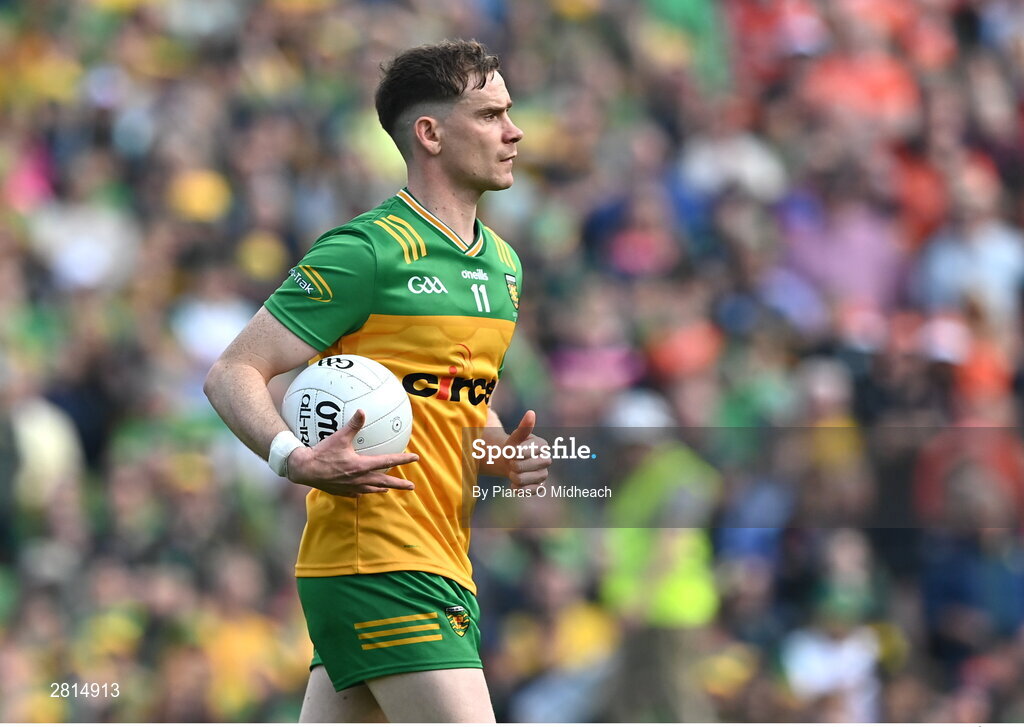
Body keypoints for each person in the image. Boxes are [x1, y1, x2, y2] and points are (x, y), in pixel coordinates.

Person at [204, 39, 550, 723]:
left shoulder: (503, 266)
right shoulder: (367, 251)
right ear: (430, 133)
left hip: (440, 558)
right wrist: (294, 457)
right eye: (489, 116)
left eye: (509, 113)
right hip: (382, 562)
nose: (514, 132)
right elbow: (232, 371)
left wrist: (495, 449)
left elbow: (447, 395)